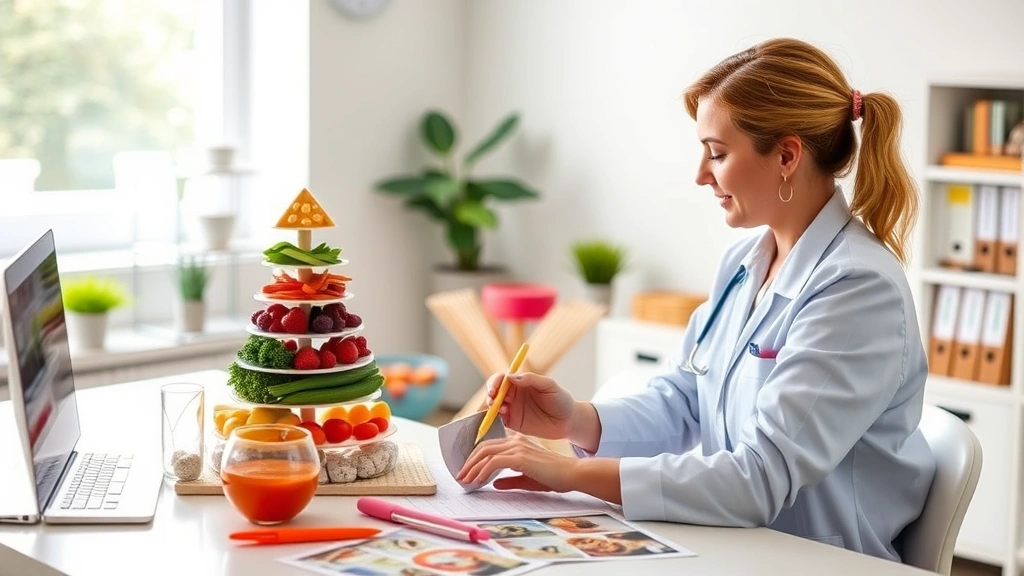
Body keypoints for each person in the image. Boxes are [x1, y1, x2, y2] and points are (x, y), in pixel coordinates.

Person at [457, 37, 936, 563]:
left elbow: (759, 478)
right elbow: (685, 399)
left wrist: (571, 473)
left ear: (786, 155)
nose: (701, 174)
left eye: (717, 153)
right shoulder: (744, 263)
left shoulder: (856, 288)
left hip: (819, 561)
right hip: (736, 544)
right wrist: (575, 420)